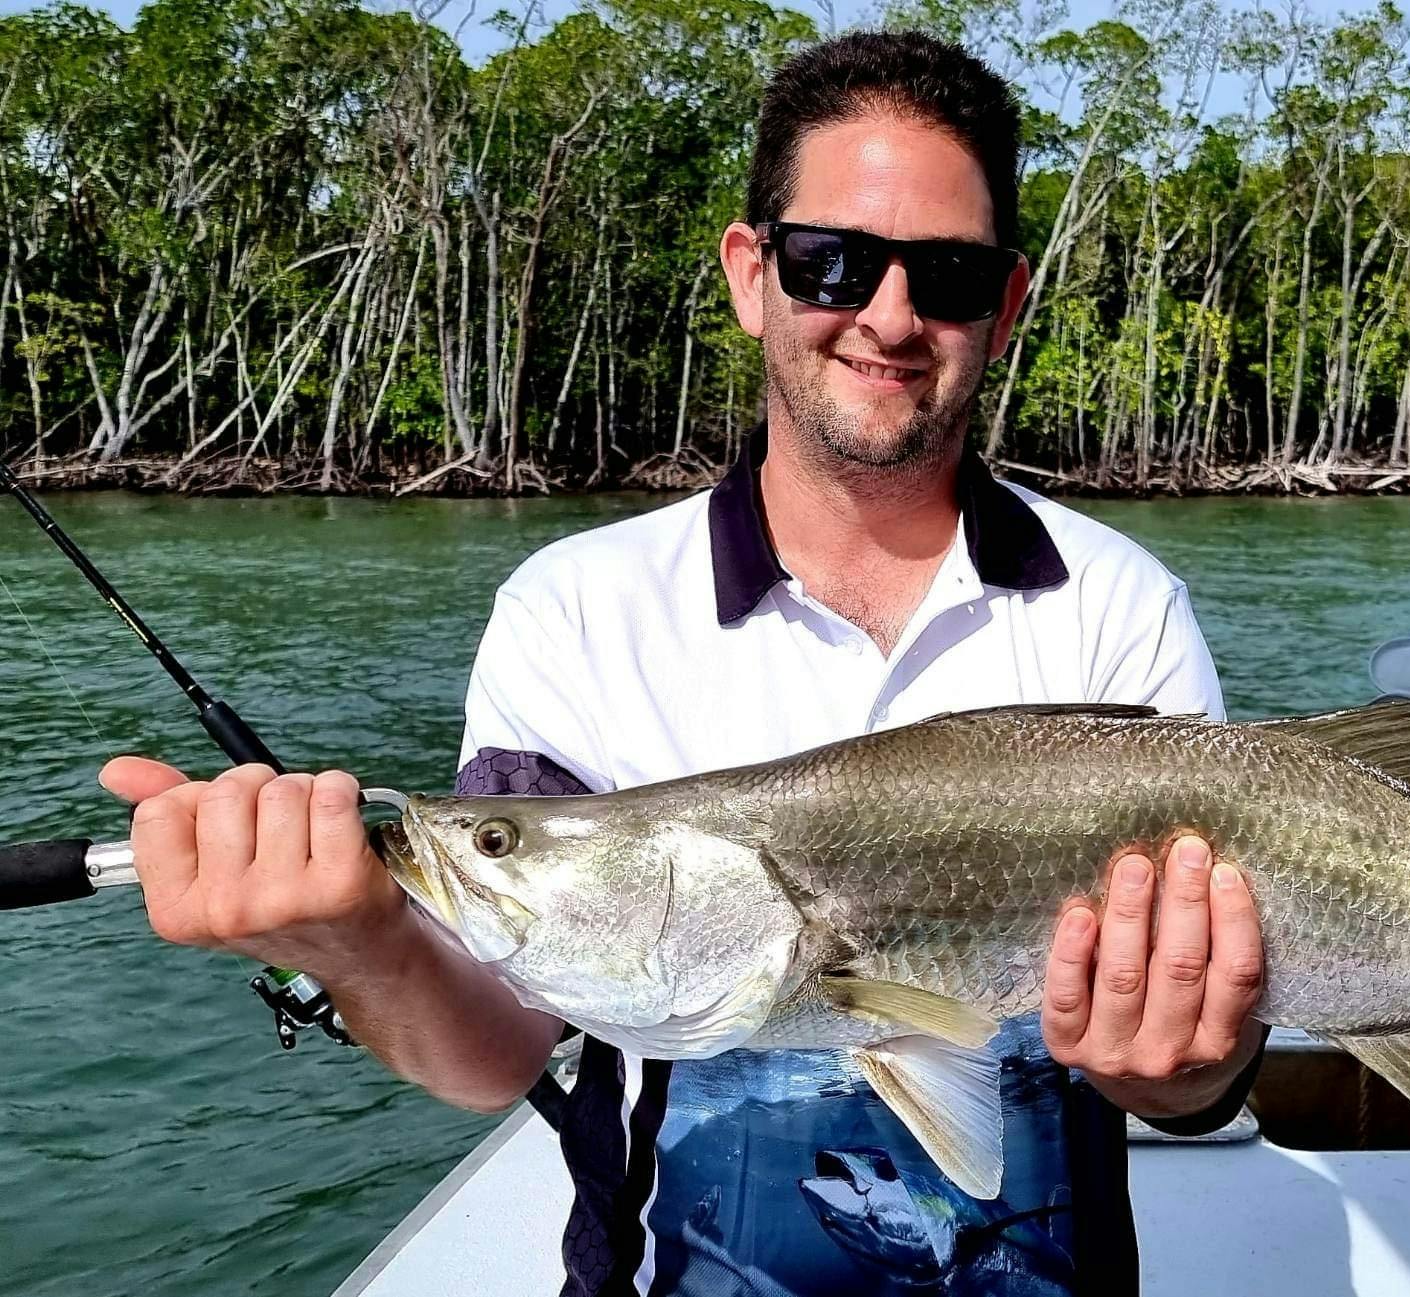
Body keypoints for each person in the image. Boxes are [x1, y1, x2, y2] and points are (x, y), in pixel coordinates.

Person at [100, 31, 1266, 1295]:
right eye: (833, 263)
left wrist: (1186, 1066)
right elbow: (498, 1053)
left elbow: (1199, 1075)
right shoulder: (578, 608)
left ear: (1008, 301)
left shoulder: (1118, 603)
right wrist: (359, 943)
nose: (888, 316)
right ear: (749, 273)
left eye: (946, 276)